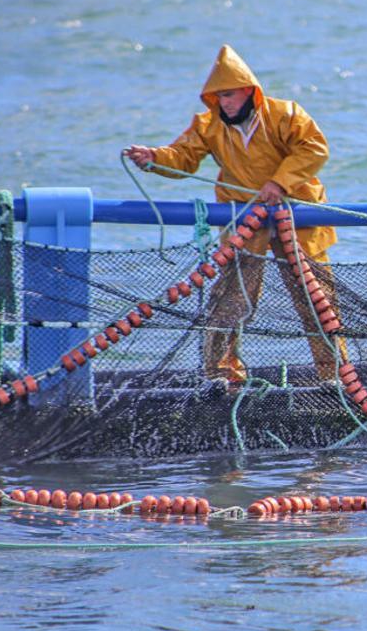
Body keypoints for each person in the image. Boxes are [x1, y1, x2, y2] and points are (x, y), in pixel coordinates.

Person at [125, 44, 339, 388]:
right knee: (229, 301)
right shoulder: (208, 126)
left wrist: (279, 182)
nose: (224, 103)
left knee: (317, 302)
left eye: (229, 95)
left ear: (248, 92)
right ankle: (221, 377)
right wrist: (153, 157)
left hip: (296, 217)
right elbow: (182, 157)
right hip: (245, 222)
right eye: (218, 97)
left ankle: (333, 377)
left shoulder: (286, 115)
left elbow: (314, 149)